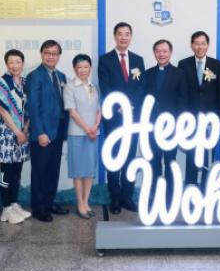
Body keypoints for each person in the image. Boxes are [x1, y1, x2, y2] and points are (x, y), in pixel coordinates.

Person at [98, 22, 146, 214]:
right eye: (120, 34)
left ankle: (127, 196)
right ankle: (115, 198)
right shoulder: (105, 60)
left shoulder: (138, 60)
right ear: (114, 36)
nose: (123, 37)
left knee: (130, 157)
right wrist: (119, 106)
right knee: (114, 159)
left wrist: (130, 105)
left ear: (131, 37)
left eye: (127, 34)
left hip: (133, 117)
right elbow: (105, 86)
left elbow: (141, 87)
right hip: (114, 118)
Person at [27, 40, 69, 222]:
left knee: (53, 169)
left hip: (58, 130)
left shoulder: (61, 76)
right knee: (40, 171)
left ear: (59, 56)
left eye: (54, 53)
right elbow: (33, 106)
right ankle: (39, 208)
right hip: (42, 132)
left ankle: (49, 202)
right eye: (47, 53)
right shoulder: (34, 76)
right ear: (42, 54)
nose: (51, 56)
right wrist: (40, 132)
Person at [0, 49, 31, 225]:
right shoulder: (2, 84)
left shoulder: (25, 83)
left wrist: (25, 130)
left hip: (21, 134)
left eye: (18, 62)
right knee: (6, 173)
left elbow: (28, 110)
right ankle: (5, 208)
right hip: (6, 134)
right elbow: (3, 111)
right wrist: (18, 132)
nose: (15, 65)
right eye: (11, 62)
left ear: (22, 63)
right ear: (6, 64)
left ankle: (13, 204)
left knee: (16, 172)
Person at [178, 31, 220, 191]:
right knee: (191, 155)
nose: (200, 47)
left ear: (208, 45)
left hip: (210, 119)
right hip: (190, 118)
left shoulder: (217, 65)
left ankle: (206, 189)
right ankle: (190, 187)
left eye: (203, 43)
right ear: (192, 45)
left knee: (207, 155)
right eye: (196, 43)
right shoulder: (183, 64)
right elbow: (182, 93)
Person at [144, 39, 188, 207]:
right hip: (152, 127)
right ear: (154, 53)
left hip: (171, 127)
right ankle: (154, 195)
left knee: (170, 162)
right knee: (153, 162)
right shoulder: (148, 74)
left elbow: (183, 101)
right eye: (158, 51)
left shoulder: (179, 74)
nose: (161, 54)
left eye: (165, 51)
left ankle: (170, 197)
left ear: (170, 53)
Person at [63, 54, 101, 219]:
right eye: (79, 67)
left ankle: (86, 202)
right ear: (74, 69)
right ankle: (79, 203)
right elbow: (72, 112)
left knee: (89, 170)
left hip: (93, 133)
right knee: (78, 171)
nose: (83, 70)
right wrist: (87, 129)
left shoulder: (94, 86)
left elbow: (99, 109)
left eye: (86, 67)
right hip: (77, 134)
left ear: (90, 68)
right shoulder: (70, 87)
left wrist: (95, 127)